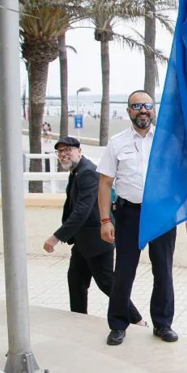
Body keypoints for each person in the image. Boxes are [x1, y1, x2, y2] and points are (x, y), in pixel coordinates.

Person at [97, 90, 187, 346]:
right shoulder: (117, 143)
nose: (142, 110)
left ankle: (163, 324)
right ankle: (118, 324)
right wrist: (105, 221)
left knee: (163, 270)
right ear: (129, 111)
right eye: (136, 106)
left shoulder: (167, 141)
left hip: (162, 213)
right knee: (124, 271)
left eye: (147, 105)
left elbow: (180, 179)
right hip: (129, 213)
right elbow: (106, 183)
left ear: (153, 110)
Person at [43, 136, 130, 318]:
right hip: (84, 242)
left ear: (79, 151)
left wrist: (56, 236)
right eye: (60, 151)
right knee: (76, 281)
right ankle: (78, 318)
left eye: (68, 150)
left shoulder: (88, 172)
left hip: (98, 241)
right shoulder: (76, 171)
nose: (64, 154)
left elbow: (82, 210)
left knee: (107, 283)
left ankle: (136, 320)